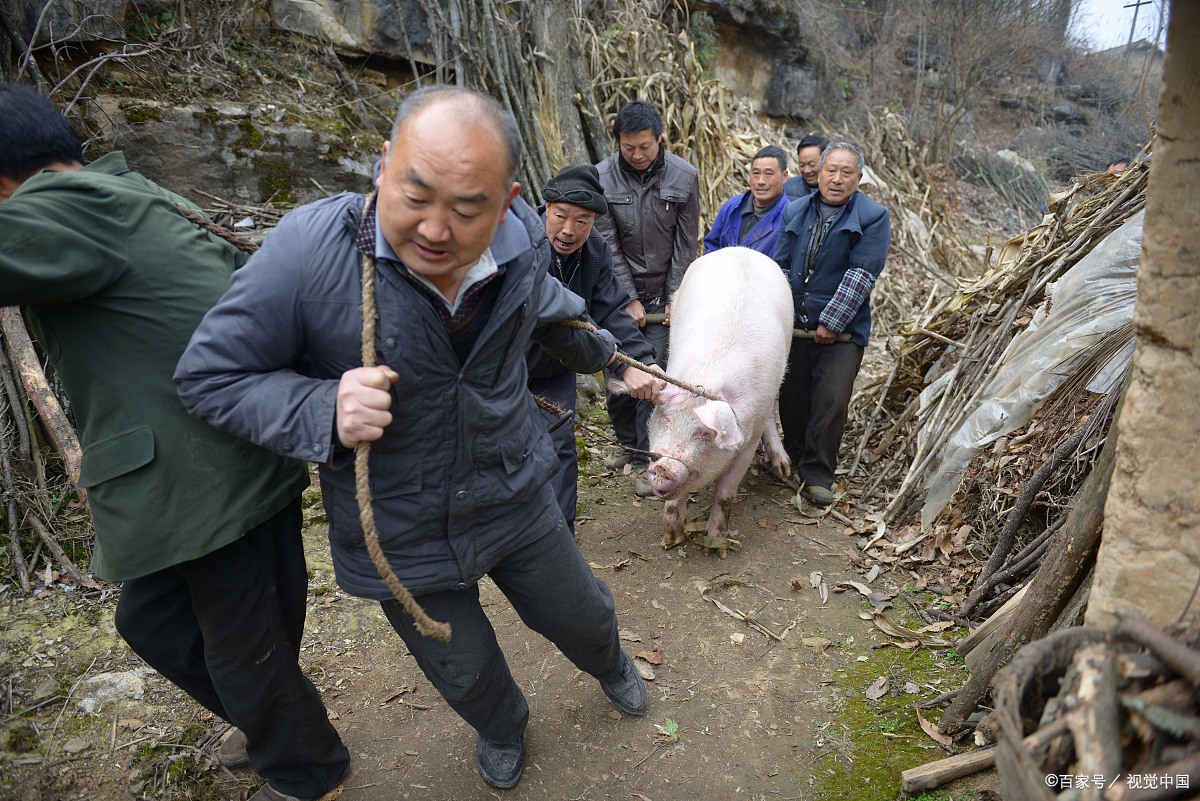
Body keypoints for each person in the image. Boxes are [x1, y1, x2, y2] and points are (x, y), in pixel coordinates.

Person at [174, 85, 649, 792]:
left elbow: (556, 317)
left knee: (581, 613)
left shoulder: (521, 248)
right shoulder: (310, 251)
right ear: (385, 163)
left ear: (508, 199)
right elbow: (209, 375)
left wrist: (616, 358)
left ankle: (611, 663)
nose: (434, 228)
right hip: (398, 526)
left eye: (466, 209)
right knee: (462, 664)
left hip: (513, 490)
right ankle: (502, 723)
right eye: (415, 194)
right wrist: (321, 405)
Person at [0, 85, 349, 801]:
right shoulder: (127, 192)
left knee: (242, 644)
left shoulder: (64, 206)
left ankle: (308, 768)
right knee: (155, 620)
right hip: (224, 457)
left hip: (205, 474)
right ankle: (281, 722)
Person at [528, 165, 664, 533]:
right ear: (546, 209)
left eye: (582, 221)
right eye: (560, 217)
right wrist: (617, 363)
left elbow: (612, 311)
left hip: (554, 371)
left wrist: (644, 364)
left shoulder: (596, 252)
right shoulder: (518, 243)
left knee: (558, 448)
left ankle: (560, 538)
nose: (569, 230)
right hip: (500, 368)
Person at [773, 140, 890, 506]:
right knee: (792, 396)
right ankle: (792, 456)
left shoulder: (873, 216)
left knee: (832, 398)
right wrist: (777, 317)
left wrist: (831, 322)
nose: (837, 179)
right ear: (818, 173)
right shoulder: (794, 210)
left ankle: (818, 473)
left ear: (858, 178)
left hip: (843, 333)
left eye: (846, 172)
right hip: (794, 325)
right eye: (830, 171)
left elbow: (860, 274)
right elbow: (778, 266)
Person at [594, 100, 699, 496]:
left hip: (662, 291)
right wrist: (626, 300)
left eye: (644, 146)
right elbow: (607, 244)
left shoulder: (685, 177)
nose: (637, 155)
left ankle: (645, 458)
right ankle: (626, 443)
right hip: (614, 291)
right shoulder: (602, 178)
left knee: (649, 373)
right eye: (628, 147)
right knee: (616, 372)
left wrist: (675, 296)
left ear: (660, 139)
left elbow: (685, 243)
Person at [702, 145, 791, 256]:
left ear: (785, 176)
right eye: (756, 173)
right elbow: (712, 248)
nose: (761, 181)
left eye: (769, 174)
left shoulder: (790, 218)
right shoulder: (731, 207)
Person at [782, 133, 830, 202]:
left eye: (812, 165)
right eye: (802, 165)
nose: (807, 171)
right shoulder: (785, 189)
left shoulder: (839, 189)